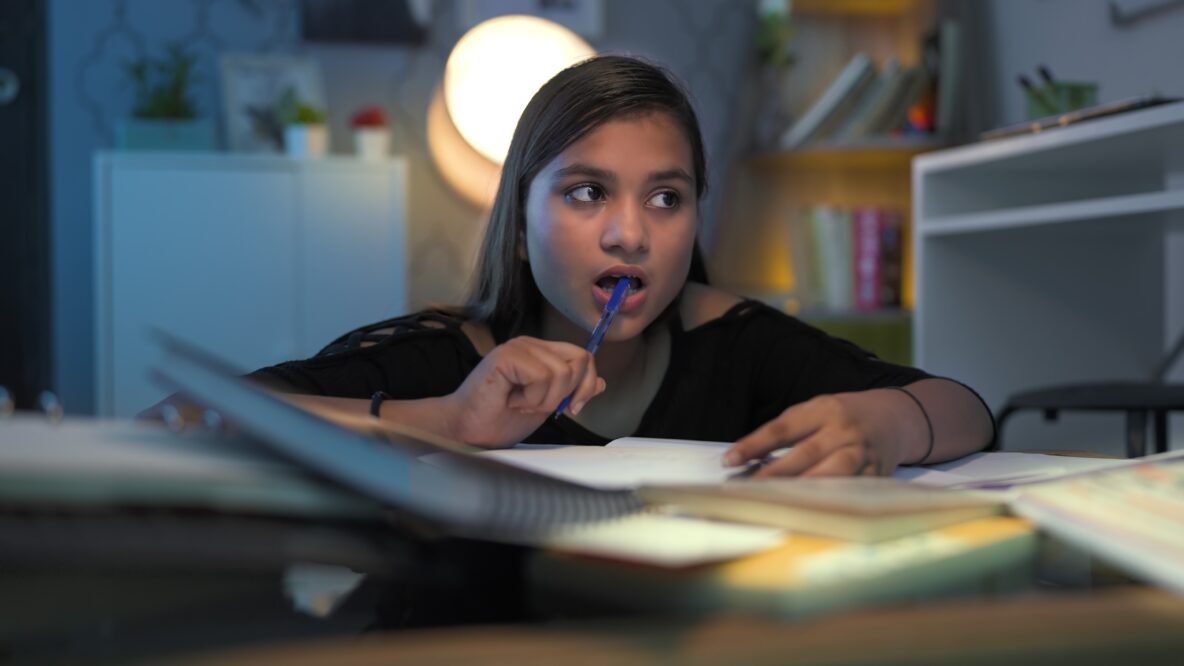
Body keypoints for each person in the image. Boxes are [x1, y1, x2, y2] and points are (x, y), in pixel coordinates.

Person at [235, 55, 995, 477]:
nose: (631, 234)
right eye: (588, 192)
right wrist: (448, 422)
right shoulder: (441, 357)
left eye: (667, 197)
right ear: (521, 226)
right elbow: (186, 420)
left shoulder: (736, 341)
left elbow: (967, 411)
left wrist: (887, 424)